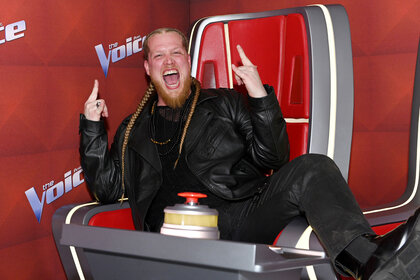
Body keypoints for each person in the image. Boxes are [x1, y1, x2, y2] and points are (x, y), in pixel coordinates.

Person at [79, 27, 420, 280]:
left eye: (176, 53)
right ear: (148, 68)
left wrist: (258, 96)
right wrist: (93, 128)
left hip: (240, 217)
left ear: (188, 60)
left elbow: (272, 157)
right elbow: (107, 189)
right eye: (159, 55)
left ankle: (371, 262)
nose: (169, 61)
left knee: (313, 167)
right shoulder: (132, 128)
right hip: (174, 237)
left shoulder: (225, 103)